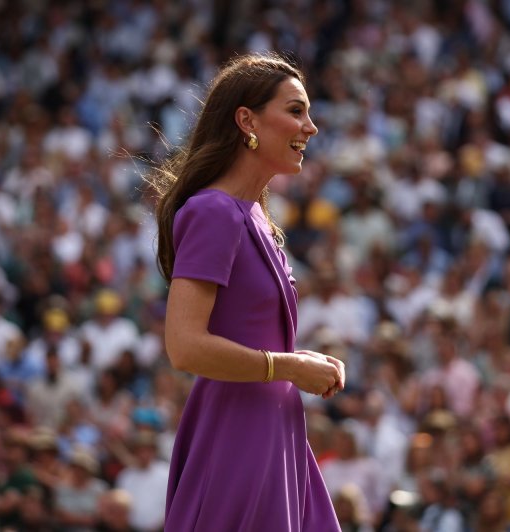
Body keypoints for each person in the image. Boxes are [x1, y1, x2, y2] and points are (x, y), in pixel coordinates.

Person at [149, 53, 345, 531]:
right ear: (247, 120)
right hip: (237, 438)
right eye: (296, 111)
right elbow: (184, 345)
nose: (311, 127)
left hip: (277, 432)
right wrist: (289, 365)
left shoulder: (253, 214)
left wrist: (295, 362)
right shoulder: (213, 211)